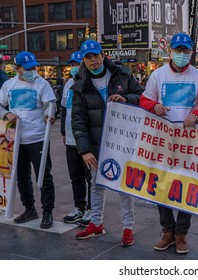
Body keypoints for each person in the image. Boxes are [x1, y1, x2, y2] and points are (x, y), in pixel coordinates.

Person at [139, 33, 198, 254]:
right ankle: (167, 231)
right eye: (178, 50)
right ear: (170, 51)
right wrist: (154, 106)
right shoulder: (158, 75)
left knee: (186, 187)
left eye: (185, 50)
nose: (181, 55)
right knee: (162, 185)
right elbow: (144, 99)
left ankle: (181, 234)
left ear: (191, 52)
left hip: (189, 143)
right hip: (163, 140)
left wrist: (196, 115)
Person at [72, 40, 143, 246]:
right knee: (96, 185)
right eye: (88, 57)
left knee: (123, 186)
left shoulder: (122, 74)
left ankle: (128, 228)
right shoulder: (80, 85)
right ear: (84, 60)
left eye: (95, 55)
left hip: (121, 141)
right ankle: (96, 224)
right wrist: (84, 150)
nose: (93, 60)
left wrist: (126, 99)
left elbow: (141, 96)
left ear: (103, 55)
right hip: (96, 144)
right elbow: (78, 120)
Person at [0, 51, 56, 229]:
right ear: (17, 69)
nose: (33, 70)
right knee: (22, 176)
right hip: (15, 140)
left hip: (38, 137)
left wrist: (49, 115)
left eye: (34, 67)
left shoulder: (42, 83)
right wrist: (6, 114)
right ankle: (29, 209)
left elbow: (49, 103)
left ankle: (48, 211)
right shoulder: (9, 85)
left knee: (44, 175)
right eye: (28, 68)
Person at [60, 51, 92, 226]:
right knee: (75, 176)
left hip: (86, 140)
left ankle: (91, 209)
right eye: (72, 64)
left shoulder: (89, 84)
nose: (74, 67)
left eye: (77, 64)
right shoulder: (68, 84)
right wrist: (63, 133)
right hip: (71, 139)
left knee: (90, 177)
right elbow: (65, 108)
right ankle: (79, 206)